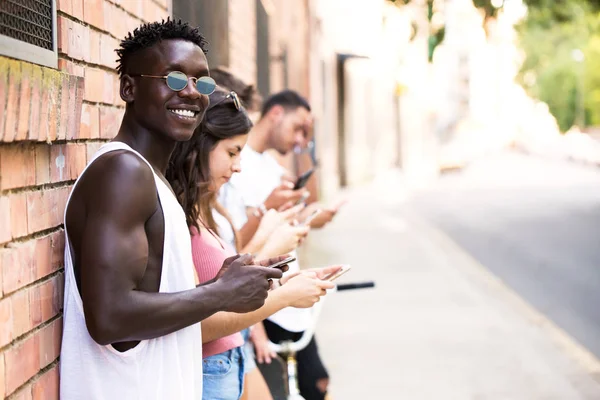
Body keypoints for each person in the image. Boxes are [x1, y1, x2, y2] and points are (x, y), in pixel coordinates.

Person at [60, 19, 284, 400]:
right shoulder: (123, 172)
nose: (193, 94)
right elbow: (109, 317)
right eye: (175, 80)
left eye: (203, 82)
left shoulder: (149, 177)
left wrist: (217, 285)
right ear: (129, 88)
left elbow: (144, 298)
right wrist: (220, 295)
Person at [166, 88, 339, 400]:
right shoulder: (177, 216)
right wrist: (283, 291)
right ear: (201, 146)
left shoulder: (205, 208)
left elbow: (221, 282)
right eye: (232, 153)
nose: (237, 166)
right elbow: (200, 320)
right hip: (211, 367)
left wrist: (282, 277)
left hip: (230, 356)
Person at [229, 90, 342, 400]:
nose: (299, 139)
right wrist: (256, 328)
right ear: (275, 113)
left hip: (286, 295)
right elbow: (233, 250)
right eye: (298, 128)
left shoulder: (272, 166)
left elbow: (299, 211)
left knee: (317, 385)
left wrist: (316, 215)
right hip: (262, 305)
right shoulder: (237, 169)